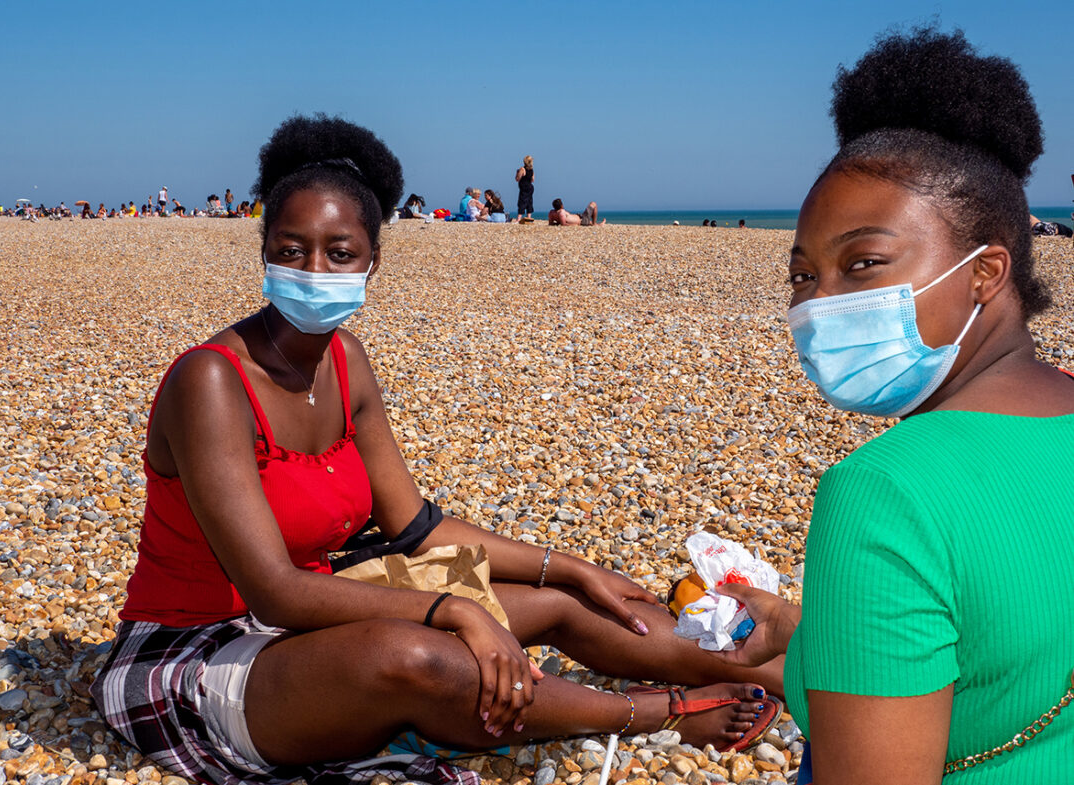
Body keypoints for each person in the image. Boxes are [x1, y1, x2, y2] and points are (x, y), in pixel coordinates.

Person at [90, 113, 784, 785]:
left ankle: (804, 673)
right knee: (421, 654)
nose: (312, 268)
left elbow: (416, 527)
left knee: (565, 604)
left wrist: (568, 568)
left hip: (313, 613)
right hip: (194, 649)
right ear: (263, 248)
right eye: (290, 248)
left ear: (373, 262)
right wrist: (453, 609)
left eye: (339, 252)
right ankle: (650, 713)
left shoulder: (345, 360)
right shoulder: (210, 380)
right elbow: (273, 590)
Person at [713, 28, 1074, 783]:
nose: (819, 305)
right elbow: (1004, 648)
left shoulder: (886, 491)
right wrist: (807, 634)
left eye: (864, 263)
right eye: (804, 275)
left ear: (986, 272)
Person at [515, 155, 535, 222]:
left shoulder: (522, 169)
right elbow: (532, 180)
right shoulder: (531, 169)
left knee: (522, 202)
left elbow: (517, 179)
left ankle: (519, 218)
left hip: (524, 188)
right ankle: (529, 217)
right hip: (530, 187)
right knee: (529, 201)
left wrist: (517, 173)